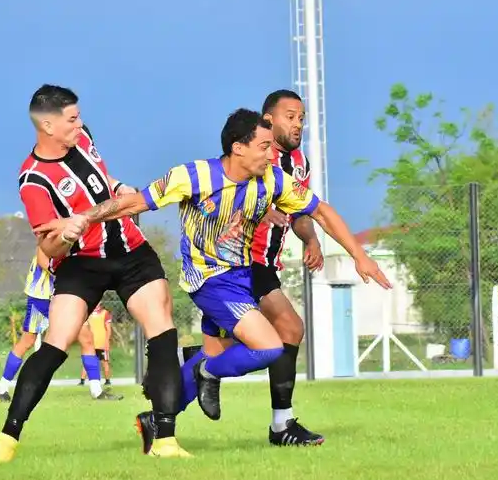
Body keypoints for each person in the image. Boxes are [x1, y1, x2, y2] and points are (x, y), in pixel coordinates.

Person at [34, 108, 391, 453]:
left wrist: (360, 255)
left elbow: (322, 211)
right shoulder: (192, 176)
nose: (271, 155)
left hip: (242, 277)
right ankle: (206, 369)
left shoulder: (273, 180)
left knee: (226, 350)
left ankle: (160, 417)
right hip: (209, 280)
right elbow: (131, 204)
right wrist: (81, 218)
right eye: (264, 147)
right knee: (268, 347)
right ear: (238, 147)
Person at [0, 84, 187, 462]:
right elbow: (48, 249)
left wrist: (121, 188)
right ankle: (6, 441)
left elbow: (101, 184)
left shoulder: (84, 139)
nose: (80, 124)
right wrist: (66, 235)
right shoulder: (34, 180)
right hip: (81, 264)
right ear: (47, 125)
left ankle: (165, 441)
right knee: (55, 344)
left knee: (163, 330)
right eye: (71, 119)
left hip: (131, 253)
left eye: (79, 117)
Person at [181, 90, 326, 446]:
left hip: (266, 265)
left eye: (301, 118)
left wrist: (310, 239)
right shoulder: (256, 157)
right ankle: (282, 426)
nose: (297, 124)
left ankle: (165, 403)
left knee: (231, 345)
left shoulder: (297, 164)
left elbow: (300, 212)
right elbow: (230, 198)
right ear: (268, 120)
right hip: (246, 263)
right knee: (289, 329)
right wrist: (261, 209)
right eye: (290, 117)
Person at [0, 248, 53, 402]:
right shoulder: (51, 232)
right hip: (41, 296)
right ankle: (2, 389)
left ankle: (96, 390)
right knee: (28, 340)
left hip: (62, 294)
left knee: (85, 336)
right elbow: (43, 257)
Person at [78, 304, 124, 400]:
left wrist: (106, 341)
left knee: (89, 344)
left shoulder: (103, 313)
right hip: (50, 302)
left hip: (100, 343)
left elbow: (108, 329)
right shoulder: (88, 312)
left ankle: (98, 390)